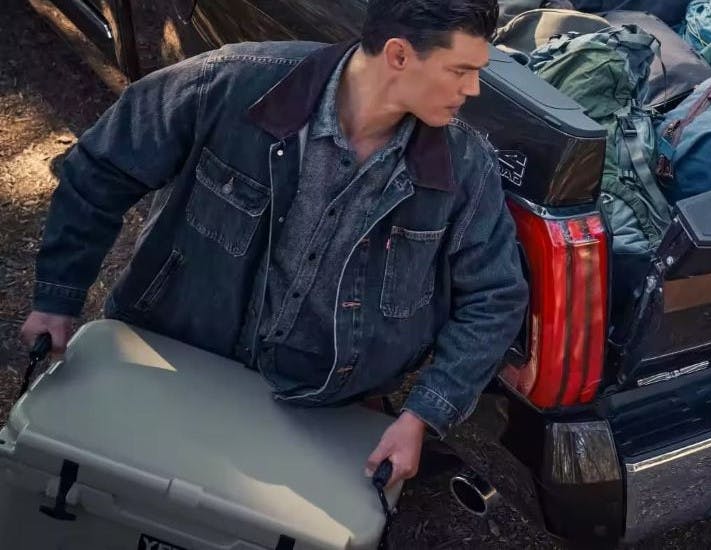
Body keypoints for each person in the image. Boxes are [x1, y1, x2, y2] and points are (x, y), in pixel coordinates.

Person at [18, 0, 527, 489]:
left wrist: (422, 415)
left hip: (325, 403)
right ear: (398, 54)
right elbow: (103, 165)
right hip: (174, 355)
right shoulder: (233, 82)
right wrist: (56, 298)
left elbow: (494, 297)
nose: (473, 89)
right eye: (460, 70)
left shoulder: (465, 168)